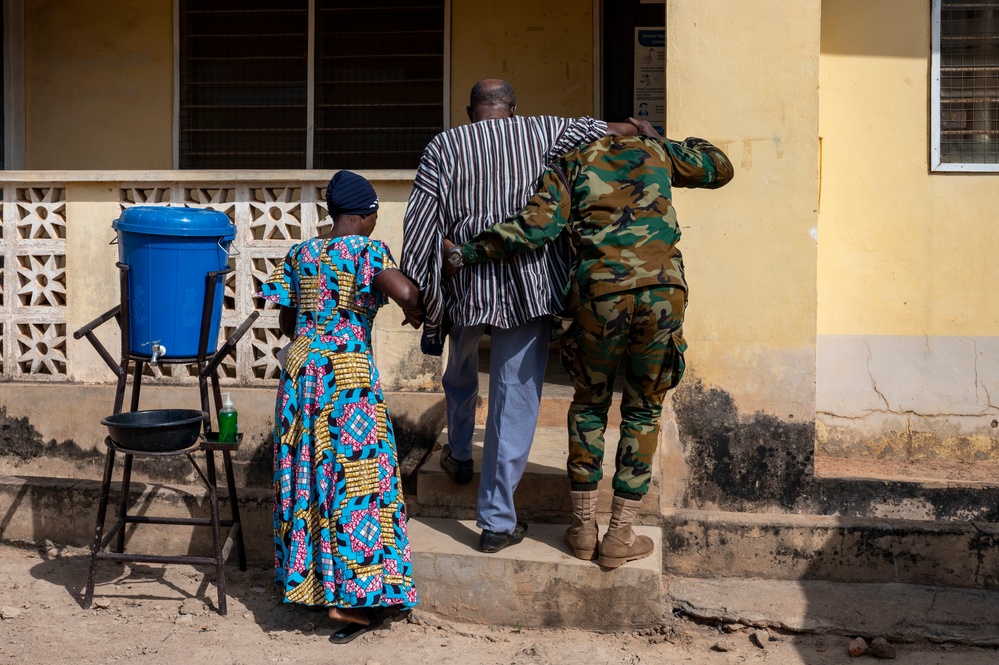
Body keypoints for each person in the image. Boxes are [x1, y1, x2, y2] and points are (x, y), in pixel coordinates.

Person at [444, 120, 733, 568]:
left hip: (598, 297)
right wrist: (664, 139)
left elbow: (535, 227)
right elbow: (719, 166)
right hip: (662, 294)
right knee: (643, 408)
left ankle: (582, 529)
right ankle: (620, 535)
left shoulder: (570, 164)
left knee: (590, 405)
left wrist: (468, 252)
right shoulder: (654, 153)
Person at [400, 78, 642, 553]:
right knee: (515, 399)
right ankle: (495, 522)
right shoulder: (545, 130)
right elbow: (608, 131)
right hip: (529, 286)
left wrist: (420, 292)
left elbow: (421, 222)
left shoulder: (445, 145)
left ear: (472, 112)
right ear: (511, 109)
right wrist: (638, 126)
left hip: (465, 276)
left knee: (461, 371)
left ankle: (458, 453)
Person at [258, 170, 420, 644]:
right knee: (358, 479)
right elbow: (406, 292)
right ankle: (353, 600)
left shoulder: (299, 253)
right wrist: (416, 310)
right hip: (347, 380)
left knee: (306, 475)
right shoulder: (370, 250)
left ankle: (311, 584)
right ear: (366, 214)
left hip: (301, 375)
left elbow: (287, 318)